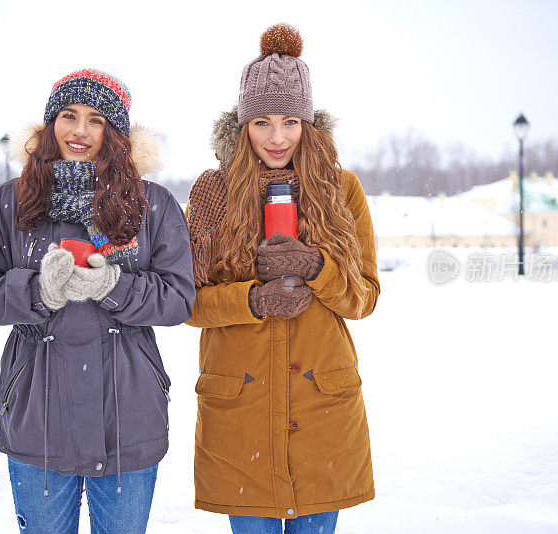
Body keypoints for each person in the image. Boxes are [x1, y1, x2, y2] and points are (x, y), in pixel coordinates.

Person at [0, 68, 195, 533]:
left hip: (130, 420)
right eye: (69, 115)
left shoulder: (153, 205)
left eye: (96, 120)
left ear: (116, 135)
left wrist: (114, 288)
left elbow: (179, 297)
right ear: (50, 125)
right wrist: (36, 291)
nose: (80, 131)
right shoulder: (9, 203)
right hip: (37, 420)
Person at [186, 24, 380, 534]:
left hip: (322, 416)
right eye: (263, 122)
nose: (277, 138)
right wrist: (253, 299)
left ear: (309, 124)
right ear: (241, 124)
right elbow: (187, 303)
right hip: (241, 416)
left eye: (291, 121)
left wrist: (315, 268)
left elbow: (364, 298)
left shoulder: (342, 190)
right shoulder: (213, 192)